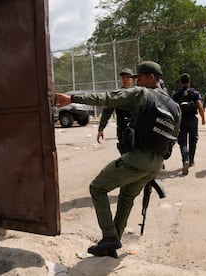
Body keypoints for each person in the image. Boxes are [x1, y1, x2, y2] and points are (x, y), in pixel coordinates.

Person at [55, 61, 181, 258]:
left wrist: (71, 98)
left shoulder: (141, 94)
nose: (136, 81)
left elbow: (107, 98)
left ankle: (109, 237)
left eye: (140, 77)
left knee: (97, 187)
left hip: (138, 158)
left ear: (151, 77)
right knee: (126, 198)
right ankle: (112, 244)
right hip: (156, 164)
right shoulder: (174, 106)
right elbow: (174, 137)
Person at [172, 73, 205, 175]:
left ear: (181, 82)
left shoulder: (177, 94)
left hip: (181, 120)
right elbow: (199, 106)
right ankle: (191, 160)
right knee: (193, 140)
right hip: (192, 119)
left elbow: (172, 108)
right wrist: (203, 118)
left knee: (182, 142)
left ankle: (185, 159)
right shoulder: (194, 93)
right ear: (189, 82)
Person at [97, 68, 134, 153]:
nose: (125, 80)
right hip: (123, 129)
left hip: (136, 129)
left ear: (132, 80)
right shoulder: (117, 95)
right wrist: (101, 129)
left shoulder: (137, 94)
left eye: (127, 78)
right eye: (123, 78)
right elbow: (107, 112)